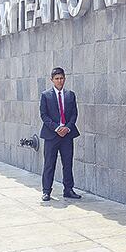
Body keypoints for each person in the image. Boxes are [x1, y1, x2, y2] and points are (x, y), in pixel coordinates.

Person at [38, 67, 81, 201]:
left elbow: (74, 114)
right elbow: (44, 115)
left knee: (67, 163)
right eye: (56, 79)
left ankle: (68, 189)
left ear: (65, 79)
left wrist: (67, 128)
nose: (59, 81)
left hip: (67, 135)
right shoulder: (46, 95)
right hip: (52, 135)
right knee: (49, 163)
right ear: (52, 80)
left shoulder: (70, 95)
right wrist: (57, 128)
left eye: (61, 78)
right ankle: (46, 191)